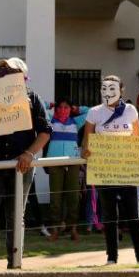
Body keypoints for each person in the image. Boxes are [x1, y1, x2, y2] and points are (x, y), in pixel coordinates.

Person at [0, 57, 51, 270]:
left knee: (16, 218)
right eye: (2, 70)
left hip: (20, 167)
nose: (4, 73)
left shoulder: (33, 98)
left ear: (23, 76)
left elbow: (45, 132)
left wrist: (29, 154)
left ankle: (14, 266)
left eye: (10, 70)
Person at [82, 75, 139, 265]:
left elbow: (137, 136)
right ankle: (111, 258)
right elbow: (87, 140)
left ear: (121, 90)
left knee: (134, 214)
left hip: (127, 168)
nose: (108, 91)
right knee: (110, 216)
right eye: (105, 88)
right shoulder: (94, 112)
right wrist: (86, 150)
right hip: (105, 169)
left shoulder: (131, 110)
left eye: (112, 88)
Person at [46, 98, 88, 241]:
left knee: (73, 197)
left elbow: (89, 112)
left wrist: (78, 108)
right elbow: (41, 108)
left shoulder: (76, 122)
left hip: (73, 161)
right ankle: (55, 231)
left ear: (71, 109)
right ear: (56, 109)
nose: (63, 110)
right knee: (55, 197)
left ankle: (73, 229)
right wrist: (50, 104)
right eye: (60, 107)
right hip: (54, 161)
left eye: (67, 107)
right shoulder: (50, 121)